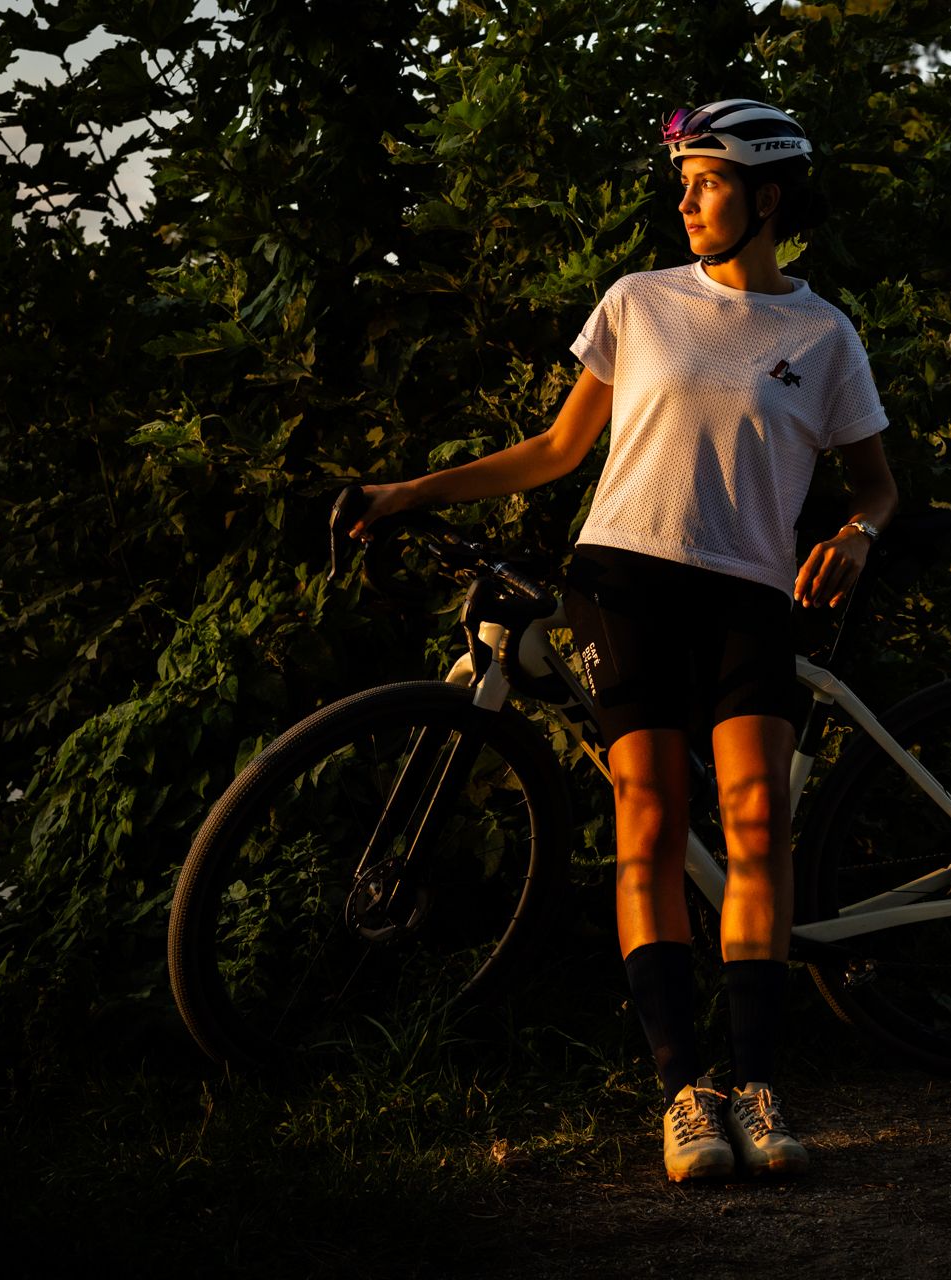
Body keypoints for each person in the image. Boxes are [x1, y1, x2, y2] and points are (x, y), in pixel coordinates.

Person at [350, 98, 897, 1182]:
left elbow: (877, 486)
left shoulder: (823, 334)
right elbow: (558, 448)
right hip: (624, 582)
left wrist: (857, 532)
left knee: (757, 823)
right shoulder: (640, 304)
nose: (686, 199)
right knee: (647, 817)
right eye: (684, 182)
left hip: (748, 597)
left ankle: (755, 1082)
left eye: (708, 181)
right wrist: (408, 489)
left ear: (767, 197)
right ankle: (682, 1093)